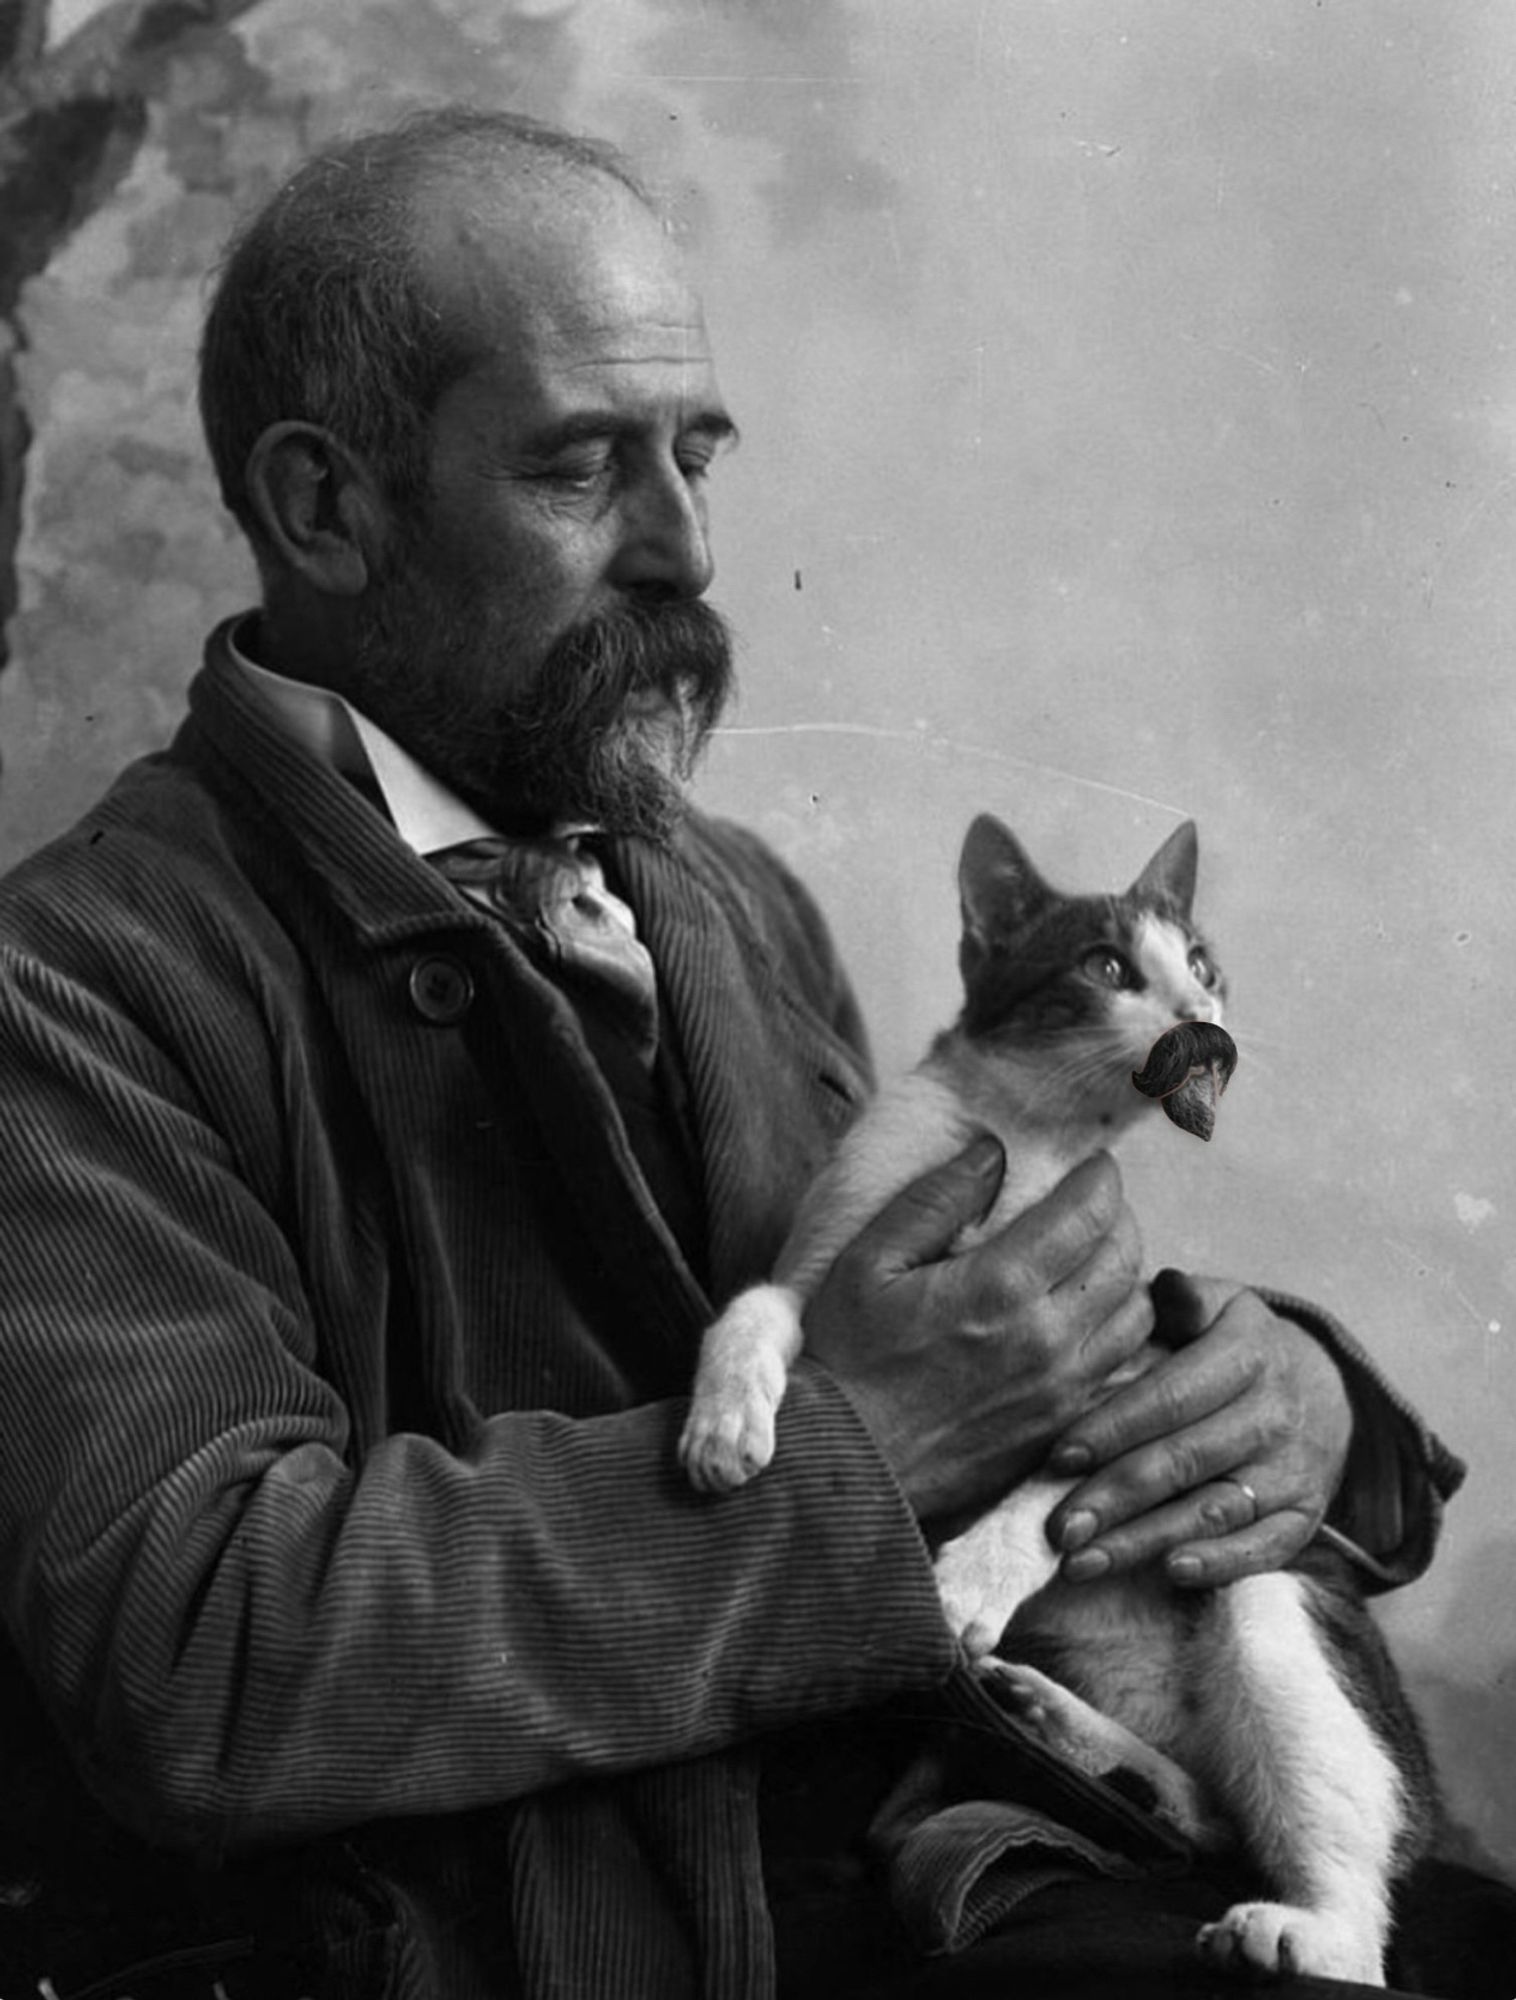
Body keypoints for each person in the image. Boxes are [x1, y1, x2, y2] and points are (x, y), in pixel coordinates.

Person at [0, 106, 1494, 2000]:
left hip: (974, 1855)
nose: (687, 545)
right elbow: (196, 1656)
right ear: (324, 508)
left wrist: (1289, 1403)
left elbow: (930, 1311)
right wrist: (847, 1464)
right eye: (579, 468)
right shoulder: (70, 988)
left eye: (697, 453)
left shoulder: (732, 902)